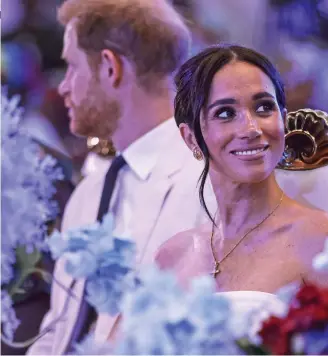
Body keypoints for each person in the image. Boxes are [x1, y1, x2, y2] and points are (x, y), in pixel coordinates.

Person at [27, 0, 215, 354]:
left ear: (111, 68)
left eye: (71, 67)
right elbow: (58, 331)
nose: (64, 87)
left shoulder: (209, 184)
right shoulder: (89, 190)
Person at [156, 44, 328, 293]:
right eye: (225, 113)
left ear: (283, 121)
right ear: (191, 138)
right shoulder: (171, 258)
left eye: (264, 107)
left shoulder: (324, 244)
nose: (251, 128)